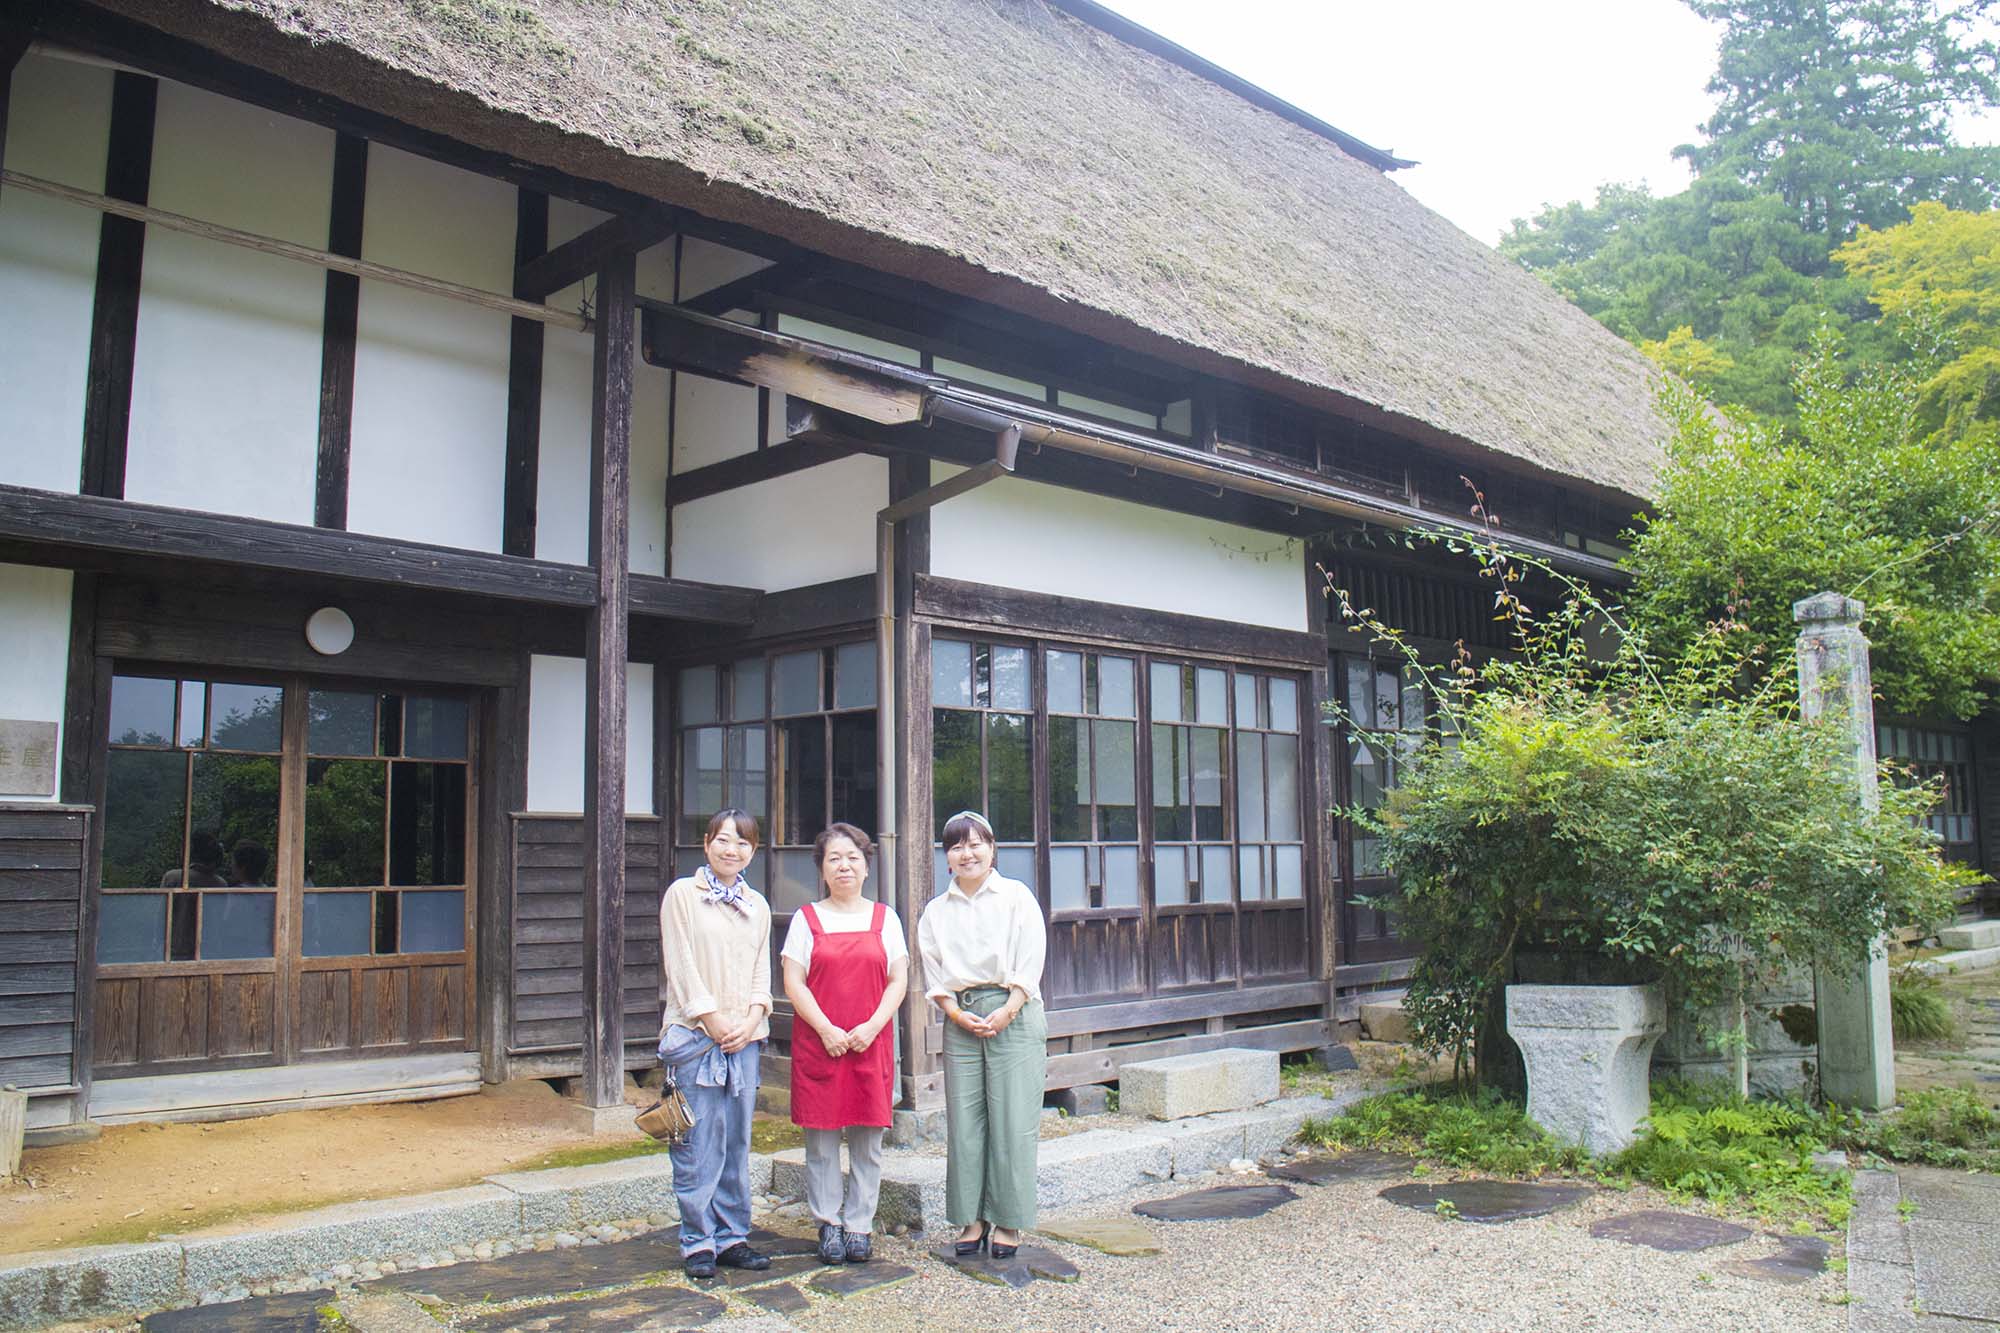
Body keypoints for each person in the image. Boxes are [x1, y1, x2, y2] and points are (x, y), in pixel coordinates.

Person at [917, 810, 1047, 1260]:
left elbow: (1031, 959)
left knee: (1012, 1122)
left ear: (992, 849)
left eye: (976, 844)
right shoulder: (936, 911)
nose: (966, 853)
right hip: (963, 1020)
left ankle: (1009, 1220)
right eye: (956, 846)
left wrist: (1010, 1008)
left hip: (1016, 1011)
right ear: (946, 857)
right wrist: (953, 1013)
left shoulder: (1016, 897)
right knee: (966, 1124)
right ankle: (971, 1218)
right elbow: (934, 974)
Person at [781, 823, 909, 1265]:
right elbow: (793, 981)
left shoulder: (884, 918)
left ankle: (859, 1224)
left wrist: (873, 1026)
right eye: (834, 858)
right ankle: (828, 1223)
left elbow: (899, 979)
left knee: (867, 1140)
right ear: (822, 868)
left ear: (867, 866)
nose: (844, 866)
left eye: (852, 857)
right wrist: (826, 1029)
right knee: (820, 1140)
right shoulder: (806, 919)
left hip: (869, 1041)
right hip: (821, 1041)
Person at [659, 808, 773, 1280]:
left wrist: (750, 1019)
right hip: (697, 1038)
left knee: (736, 1141)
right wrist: (713, 1019)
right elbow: (681, 966)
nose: (733, 850)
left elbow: (760, 972)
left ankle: (733, 1237)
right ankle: (697, 1240)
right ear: (707, 843)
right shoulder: (684, 895)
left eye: (743, 843)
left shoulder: (757, 905)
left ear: (753, 851)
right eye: (724, 840)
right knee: (697, 1141)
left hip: (742, 1042)